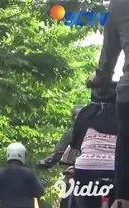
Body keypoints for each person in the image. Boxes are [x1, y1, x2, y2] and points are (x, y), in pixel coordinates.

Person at [87, 0, 129, 207]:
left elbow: (108, 59)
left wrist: (99, 80)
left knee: (126, 137)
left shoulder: (119, 4)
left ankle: (123, 199)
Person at [68, 76, 118, 208]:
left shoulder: (86, 112)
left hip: (86, 169)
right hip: (117, 169)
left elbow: (75, 143)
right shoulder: (124, 111)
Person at [0, 142, 44, 208]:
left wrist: (1, 203)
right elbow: (40, 192)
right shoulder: (30, 174)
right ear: (23, 155)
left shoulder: (0, 174)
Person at [37, 104, 84, 169]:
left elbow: (59, 152)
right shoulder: (99, 129)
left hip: (80, 167)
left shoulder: (72, 133)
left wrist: (48, 162)